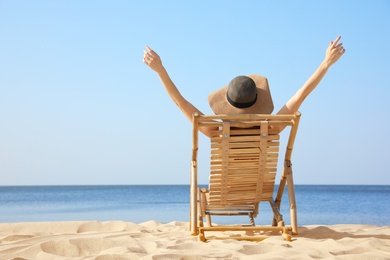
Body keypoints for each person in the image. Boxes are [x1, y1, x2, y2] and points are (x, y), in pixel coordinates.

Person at [143, 36, 345, 137]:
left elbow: (181, 103)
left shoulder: (217, 131)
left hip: (224, 192)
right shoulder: (273, 128)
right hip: (259, 190)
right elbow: (301, 95)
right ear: (257, 99)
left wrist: (160, 70)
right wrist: (325, 63)